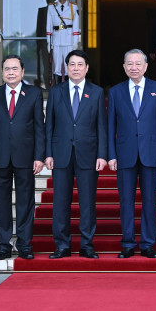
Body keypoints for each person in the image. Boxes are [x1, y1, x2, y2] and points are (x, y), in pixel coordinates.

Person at [107, 49, 156, 258]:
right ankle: (127, 243)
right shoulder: (115, 91)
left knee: (149, 201)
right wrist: (111, 154)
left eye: (138, 64)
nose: (134, 67)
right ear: (124, 67)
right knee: (126, 201)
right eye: (129, 64)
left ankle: (147, 243)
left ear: (145, 66)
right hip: (124, 153)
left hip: (151, 152)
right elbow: (110, 126)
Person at [44, 50, 107, 259]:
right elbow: (49, 125)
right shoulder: (56, 91)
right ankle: (62, 245)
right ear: (66, 68)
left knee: (87, 202)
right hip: (61, 153)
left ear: (87, 68)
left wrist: (102, 154)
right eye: (72, 64)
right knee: (61, 202)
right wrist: (48, 153)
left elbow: (101, 127)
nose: (76, 68)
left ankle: (87, 244)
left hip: (88, 154)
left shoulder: (96, 92)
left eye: (80, 65)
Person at [0, 55, 45, 260]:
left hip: (26, 157)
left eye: (14, 69)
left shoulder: (34, 94)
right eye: (7, 69)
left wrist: (39, 156)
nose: (10, 72)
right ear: (2, 73)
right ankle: (4, 244)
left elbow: (39, 127)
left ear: (22, 72)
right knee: (1, 202)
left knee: (25, 201)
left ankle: (25, 243)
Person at [46, 0, 80, 84]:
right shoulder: (51, 7)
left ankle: (67, 87)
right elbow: (49, 25)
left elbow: (76, 25)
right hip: (56, 39)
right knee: (56, 67)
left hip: (68, 39)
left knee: (68, 65)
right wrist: (49, 42)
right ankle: (57, 88)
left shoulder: (73, 7)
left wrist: (75, 42)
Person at [36, 0, 56, 89]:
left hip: (58, 42)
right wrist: (38, 45)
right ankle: (48, 88)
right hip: (44, 43)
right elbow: (39, 29)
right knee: (46, 67)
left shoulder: (60, 10)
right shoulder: (42, 11)